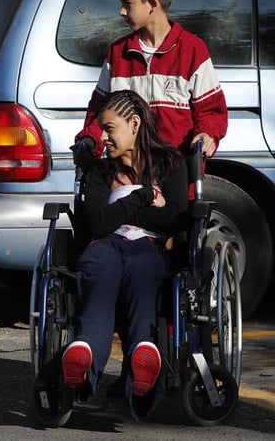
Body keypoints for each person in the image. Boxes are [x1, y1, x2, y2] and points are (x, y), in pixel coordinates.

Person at [62, 89, 188, 421]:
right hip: (104, 246)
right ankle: (84, 353)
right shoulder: (99, 170)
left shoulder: (172, 163)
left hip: (148, 248)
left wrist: (120, 210)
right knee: (100, 273)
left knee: (143, 272)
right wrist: (144, 197)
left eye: (108, 128)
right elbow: (98, 224)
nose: (102, 137)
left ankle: (141, 357)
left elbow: (173, 218)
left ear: (133, 124)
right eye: (101, 129)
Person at [74, 0, 227, 160]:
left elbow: (211, 111)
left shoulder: (193, 51)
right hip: (128, 174)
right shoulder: (118, 52)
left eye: (127, 4)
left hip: (177, 173)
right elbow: (99, 113)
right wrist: (90, 139)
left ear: (153, 4)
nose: (121, 11)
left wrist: (207, 135)